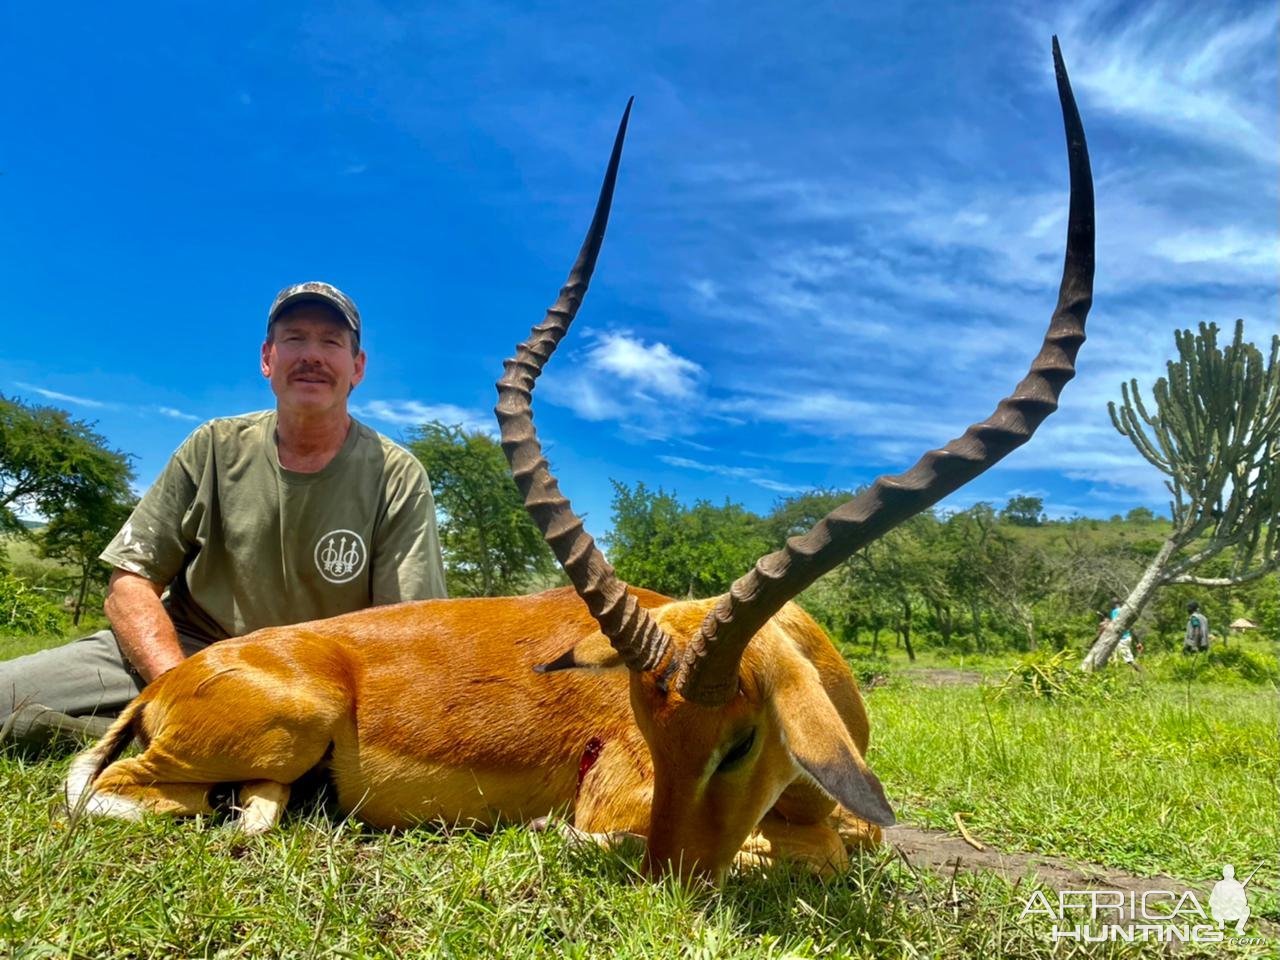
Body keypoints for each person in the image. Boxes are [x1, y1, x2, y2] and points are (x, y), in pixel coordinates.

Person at [0, 282, 448, 747]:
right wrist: (180, 688)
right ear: (267, 359)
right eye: (294, 338)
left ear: (357, 368)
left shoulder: (397, 475)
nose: (312, 355)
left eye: (331, 341)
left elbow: (408, 631)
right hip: (184, 649)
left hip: (310, 675)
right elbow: (129, 583)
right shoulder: (212, 445)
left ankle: (97, 738)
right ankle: (182, 734)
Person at [1109, 597, 1140, 672]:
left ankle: (1140, 671)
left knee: (1128, 659)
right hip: (1128, 637)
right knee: (1118, 657)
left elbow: (1114, 625)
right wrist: (1138, 641)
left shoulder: (1114, 612)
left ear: (1113, 604)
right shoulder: (1125, 610)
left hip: (1121, 638)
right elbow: (1131, 627)